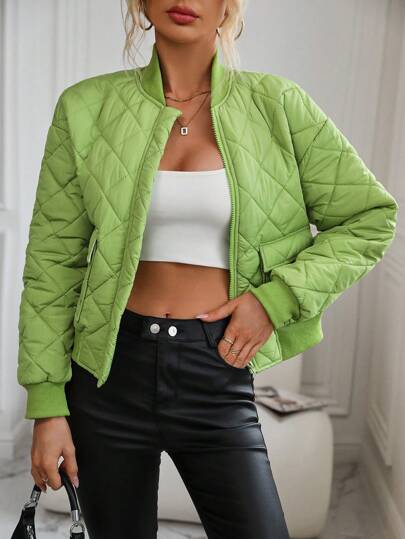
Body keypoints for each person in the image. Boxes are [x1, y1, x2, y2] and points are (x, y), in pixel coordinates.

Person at [17, 1, 398, 538]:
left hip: (215, 365)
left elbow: (370, 218)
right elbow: (53, 263)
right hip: (106, 375)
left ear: (227, 7)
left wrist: (274, 300)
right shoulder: (85, 108)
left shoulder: (278, 105)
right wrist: (47, 406)